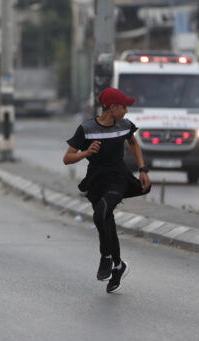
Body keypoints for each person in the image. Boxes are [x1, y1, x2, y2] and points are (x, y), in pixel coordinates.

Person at [63, 87, 151, 293]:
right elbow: (67, 158)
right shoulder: (86, 129)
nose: (127, 111)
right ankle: (118, 266)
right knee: (106, 220)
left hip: (118, 177)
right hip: (96, 179)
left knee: (101, 213)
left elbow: (133, 143)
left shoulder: (124, 125)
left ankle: (106, 257)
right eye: (124, 107)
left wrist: (142, 169)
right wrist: (86, 152)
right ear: (112, 107)